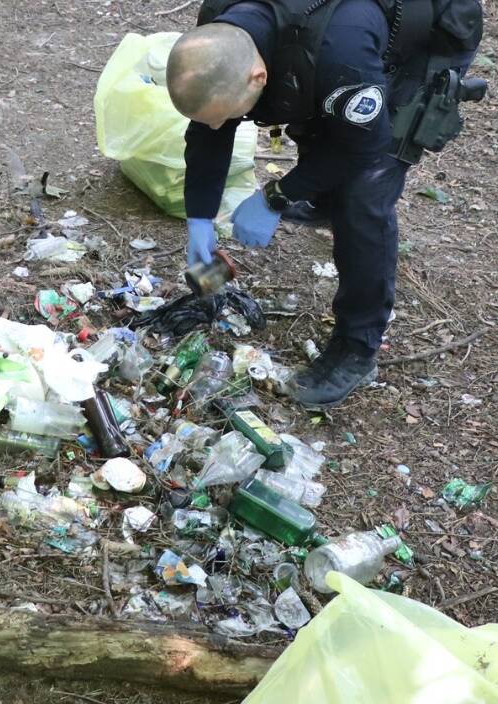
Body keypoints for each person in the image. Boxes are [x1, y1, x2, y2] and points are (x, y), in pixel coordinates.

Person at [166, 0, 481, 408]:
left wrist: (275, 197)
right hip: (339, 42)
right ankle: (325, 196)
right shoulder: (218, 30)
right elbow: (210, 128)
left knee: (364, 193)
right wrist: (199, 217)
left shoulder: (340, 53)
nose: (218, 125)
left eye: (225, 116)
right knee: (318, 107)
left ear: (258, 73)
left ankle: (357, 348)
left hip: (428, 27)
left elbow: (366, 146)